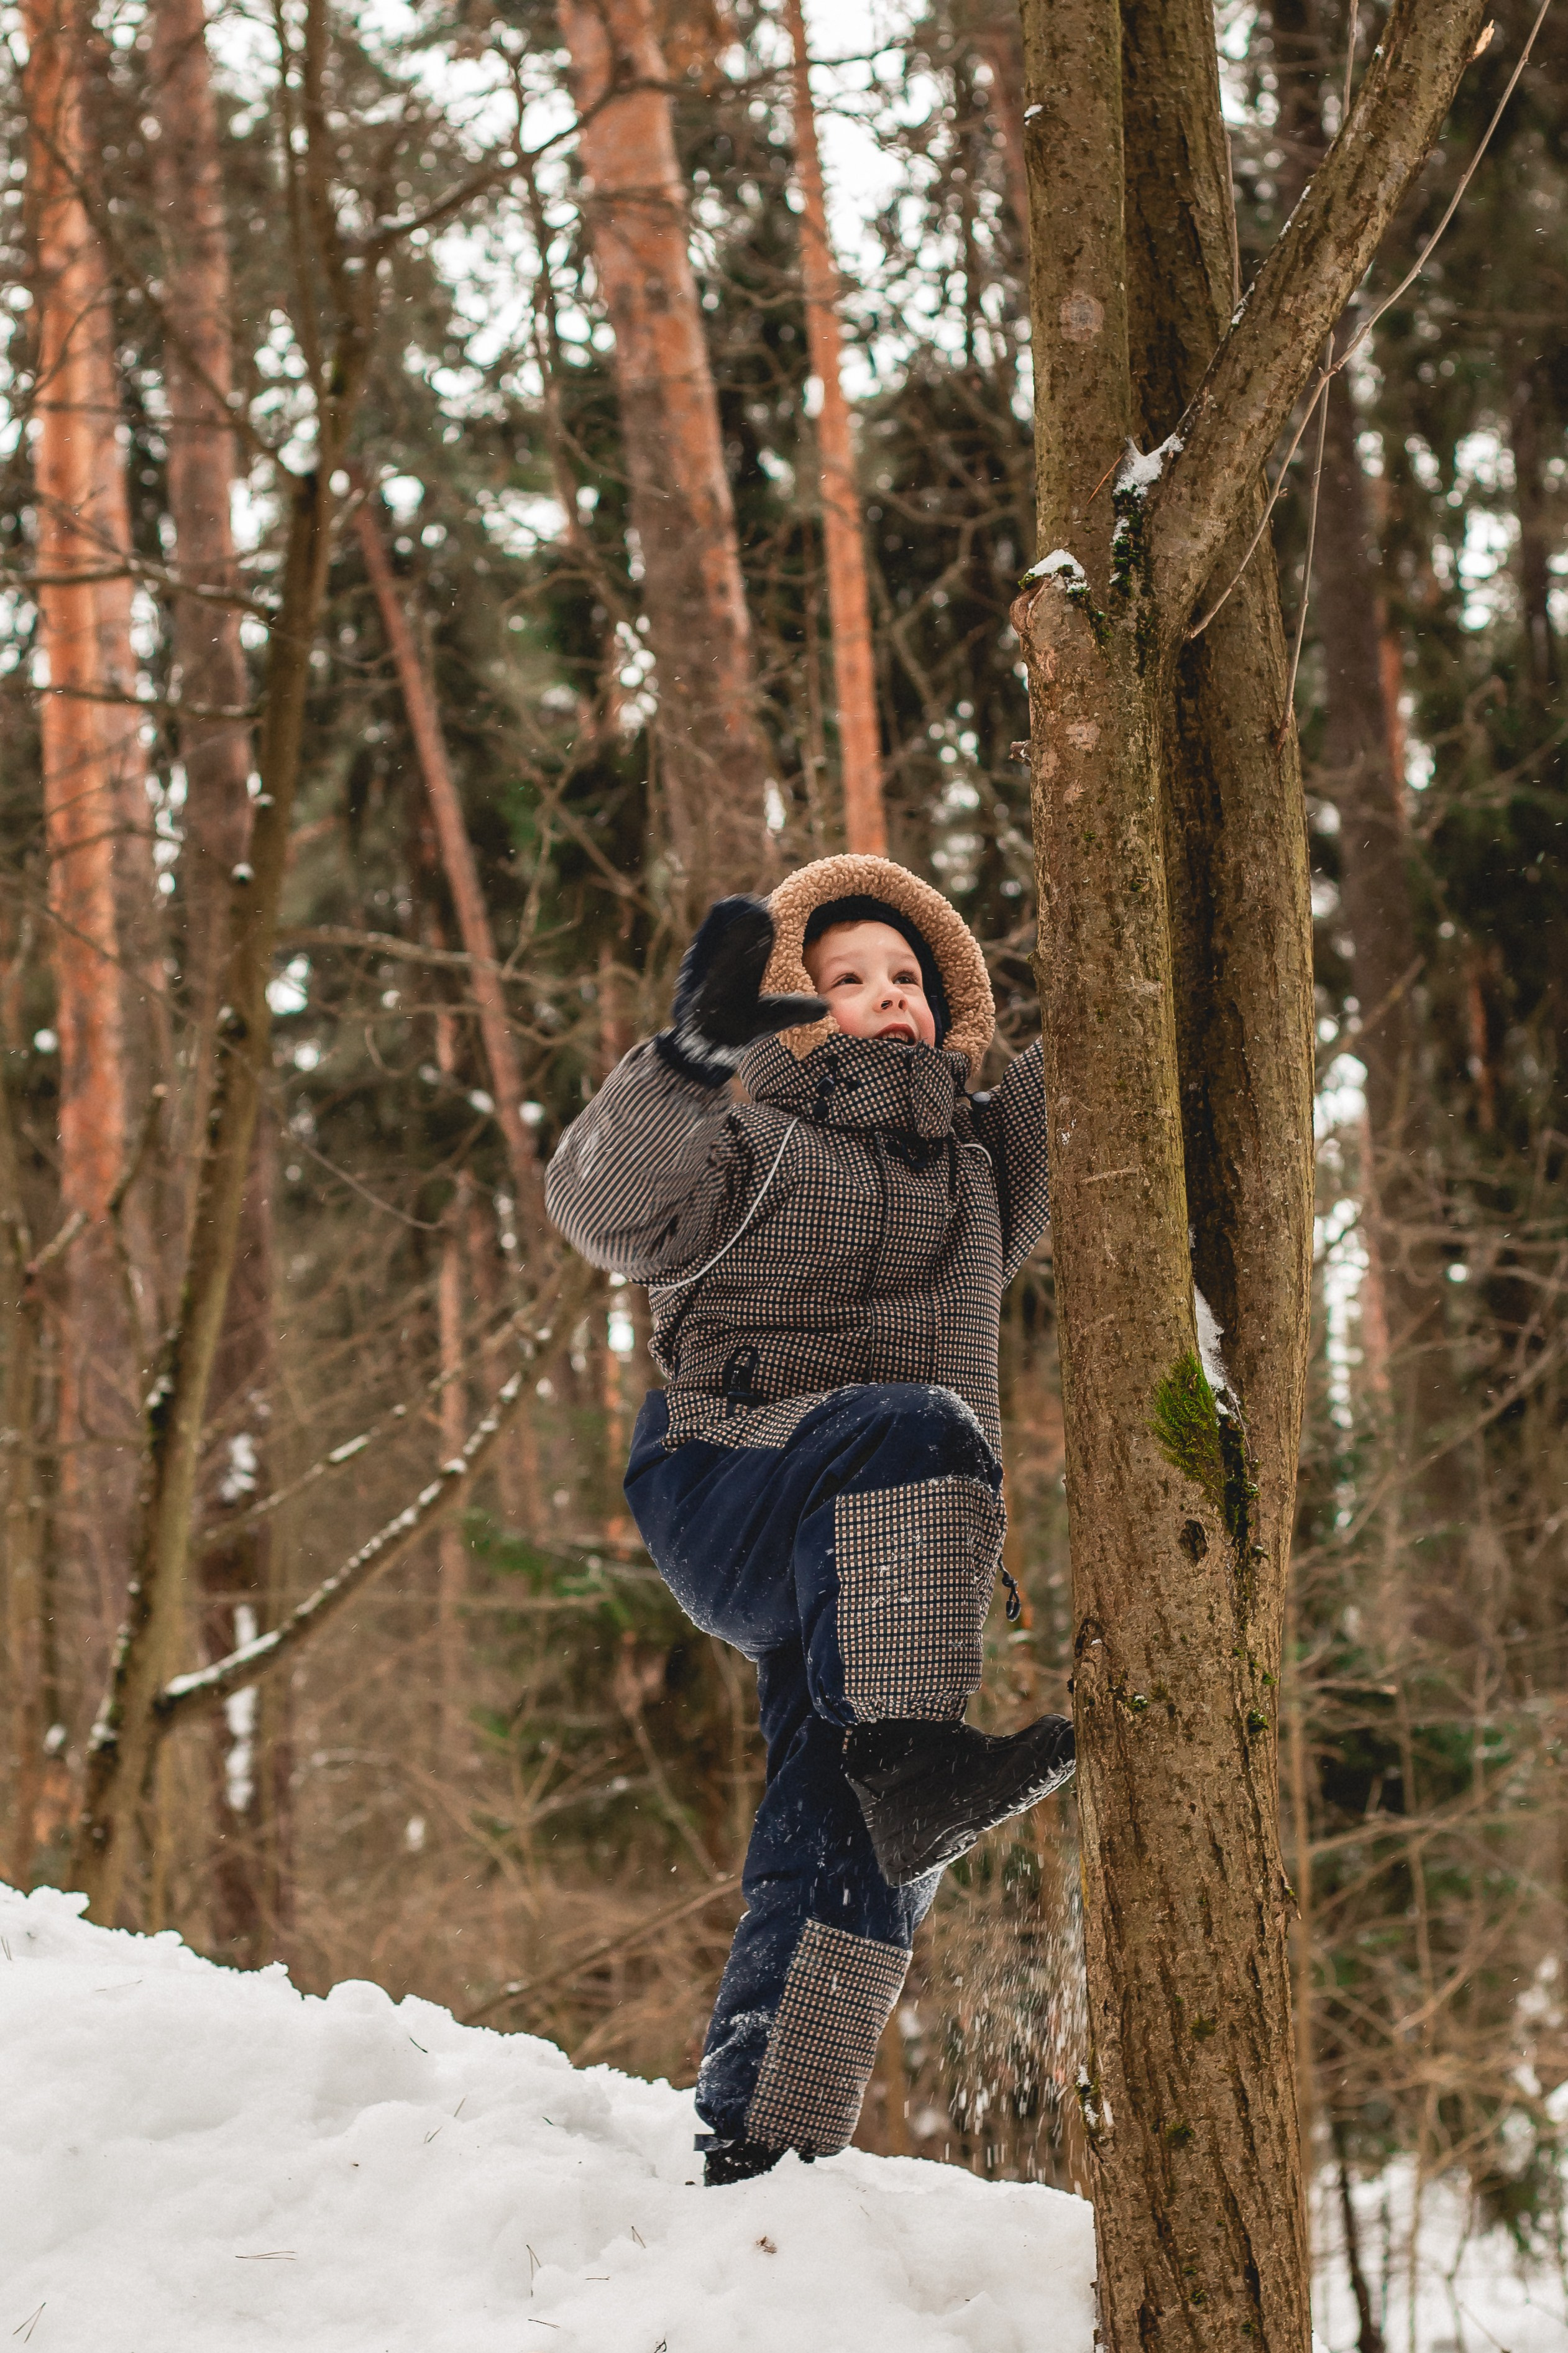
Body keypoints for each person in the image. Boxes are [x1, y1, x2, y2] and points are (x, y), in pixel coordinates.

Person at [546, 853, 1073, 2185]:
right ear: (791, 1001)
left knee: (854, 1839)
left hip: (892, 1559)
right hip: (729, 1484)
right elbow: (599, 1212)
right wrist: (683, 1063)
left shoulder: (980, 1172)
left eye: (908, 978)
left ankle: (764, 2143)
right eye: (847, 980)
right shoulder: (743, 1146)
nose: (886, 998)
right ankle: (910, 1761)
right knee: (917, 1426)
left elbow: (1101, 1072)